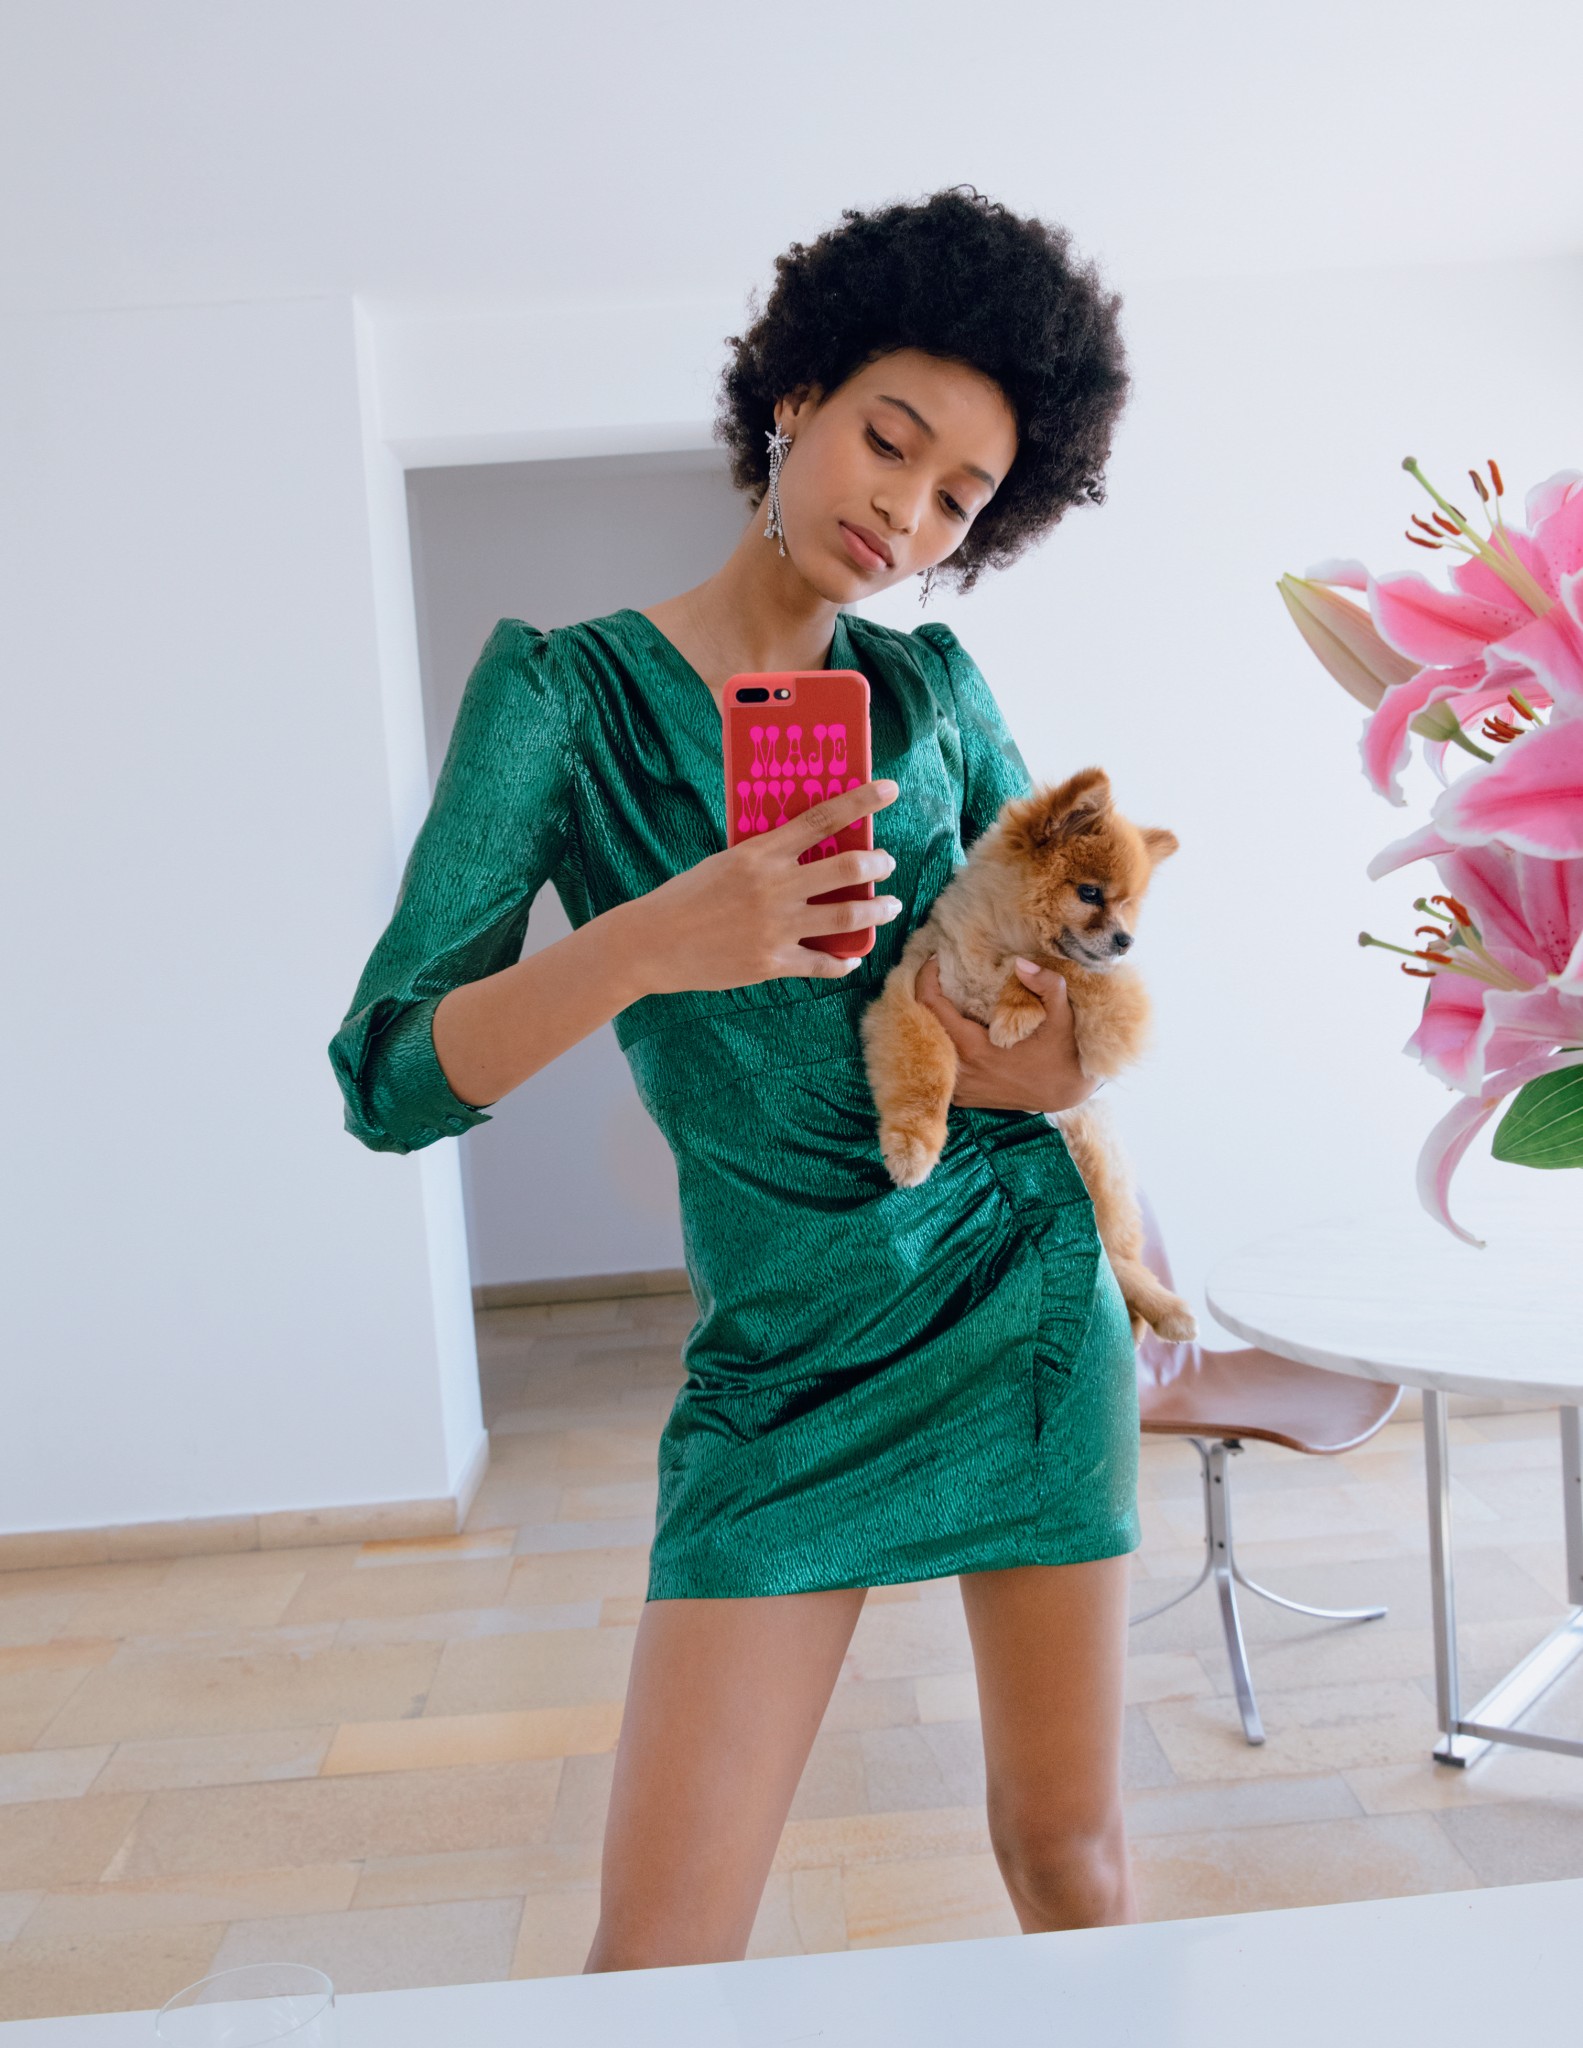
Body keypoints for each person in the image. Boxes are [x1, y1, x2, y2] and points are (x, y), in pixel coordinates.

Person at [328, 185, 1138, 1969]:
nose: (904, 513)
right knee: (660, 1955)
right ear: (793, 396)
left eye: (960, 499)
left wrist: (996, 1038)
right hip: (778, 1368)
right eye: (888, 441)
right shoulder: (564, 701)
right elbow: (389, 1080)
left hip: (1015, 1305)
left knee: (1067, 1858)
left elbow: (1079, 1042)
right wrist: (655, 938)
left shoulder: (935, 692)